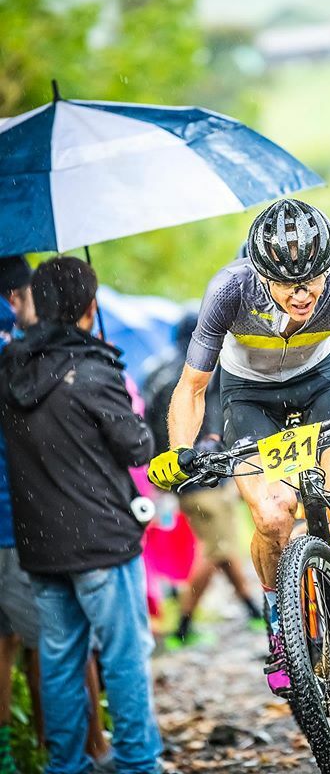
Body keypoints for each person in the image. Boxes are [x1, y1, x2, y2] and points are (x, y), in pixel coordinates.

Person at [148, 198, 330, 716]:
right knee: (274, 513)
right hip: (248, 395)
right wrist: (178, 452)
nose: (303, 295)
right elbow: (192, 387)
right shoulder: (229, 290)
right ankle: (283, 630)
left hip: (320, 383)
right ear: (259, 274)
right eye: (287, 283)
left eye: (313, 280)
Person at [0, 256, 162, 774]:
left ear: (37, 303)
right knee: (124, 657)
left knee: (60, 659)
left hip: (40, 545)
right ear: (91, 308)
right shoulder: (94, 370)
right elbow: (138, 447)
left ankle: (65, 766)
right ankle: (139, 763)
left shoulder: (9, 369)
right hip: (101, 541)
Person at [142, 313, 262, 646]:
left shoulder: (158, 371)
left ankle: (254, 609)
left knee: (221, 547)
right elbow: (223, 417)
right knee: (215, 549)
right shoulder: (204, 370)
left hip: (176, 477)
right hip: (206, 473)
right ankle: (182, 625)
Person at [0, 256, 40, 774]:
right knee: (46, 643)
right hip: (11, 526)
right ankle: (65, 753)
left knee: (7, 640)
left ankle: (9, 754)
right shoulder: (14, 357)